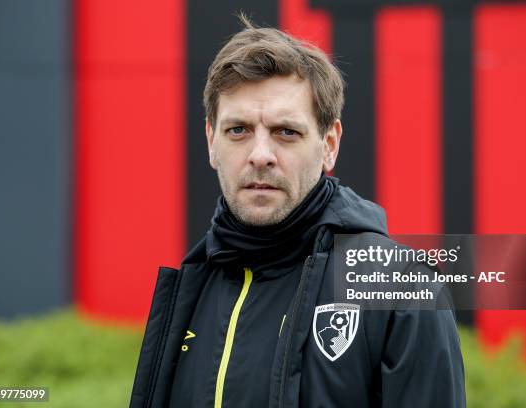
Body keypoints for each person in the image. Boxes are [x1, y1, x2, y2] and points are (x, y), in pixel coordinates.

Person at [129, 14, 465, 408]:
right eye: (238, 130)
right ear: (211, 141)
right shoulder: (194, 282)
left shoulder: (402, 289)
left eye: (285, 132)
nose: (260, 155)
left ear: (329, 144)